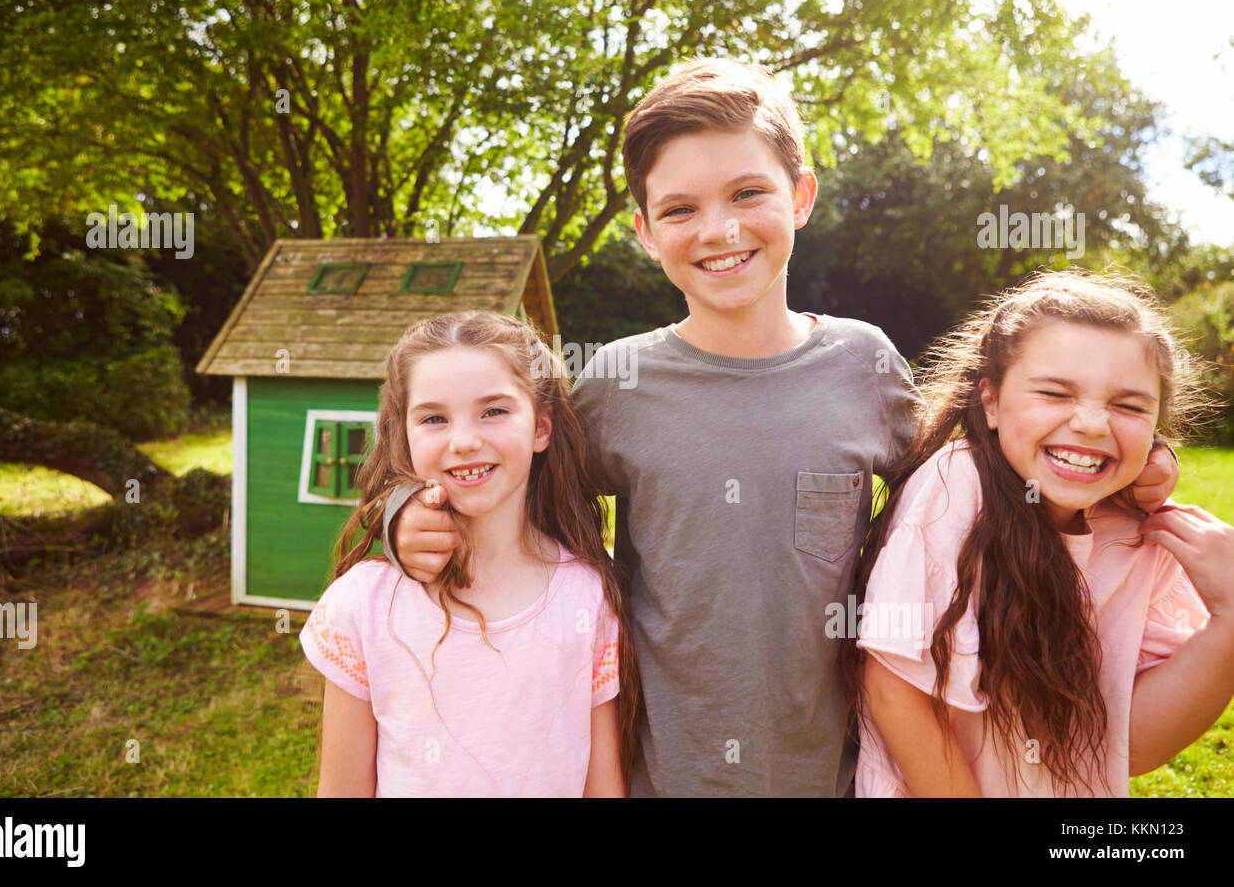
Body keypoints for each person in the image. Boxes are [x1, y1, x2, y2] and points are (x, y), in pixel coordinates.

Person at [382, 58, 1180, 796]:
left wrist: (1136, 466)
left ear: (800, 196)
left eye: (747, 194)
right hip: (658, 770)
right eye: (681, 209)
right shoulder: (617, 382)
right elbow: (506, 483)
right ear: (645, 231)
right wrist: (406, 512)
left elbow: (983, 476)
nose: (720, 230)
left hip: (832, 770)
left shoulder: (864, 364)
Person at [845, 269, 1234, 797]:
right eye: (1055, 392)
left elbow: (1131, 743)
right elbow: (892, 688)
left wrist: (1229, 617)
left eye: (1128, 405)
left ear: (1157, 425)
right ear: (990, 402)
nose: (1094, 423)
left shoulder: (1137, 531)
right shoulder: (960, 482)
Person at [299, 311, 638, 797]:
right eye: (434, 418)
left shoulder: (587, 597)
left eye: (494, 411)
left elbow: (602, 788)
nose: (464, 441)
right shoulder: (363, 604)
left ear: (541, 429)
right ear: (406, 435)